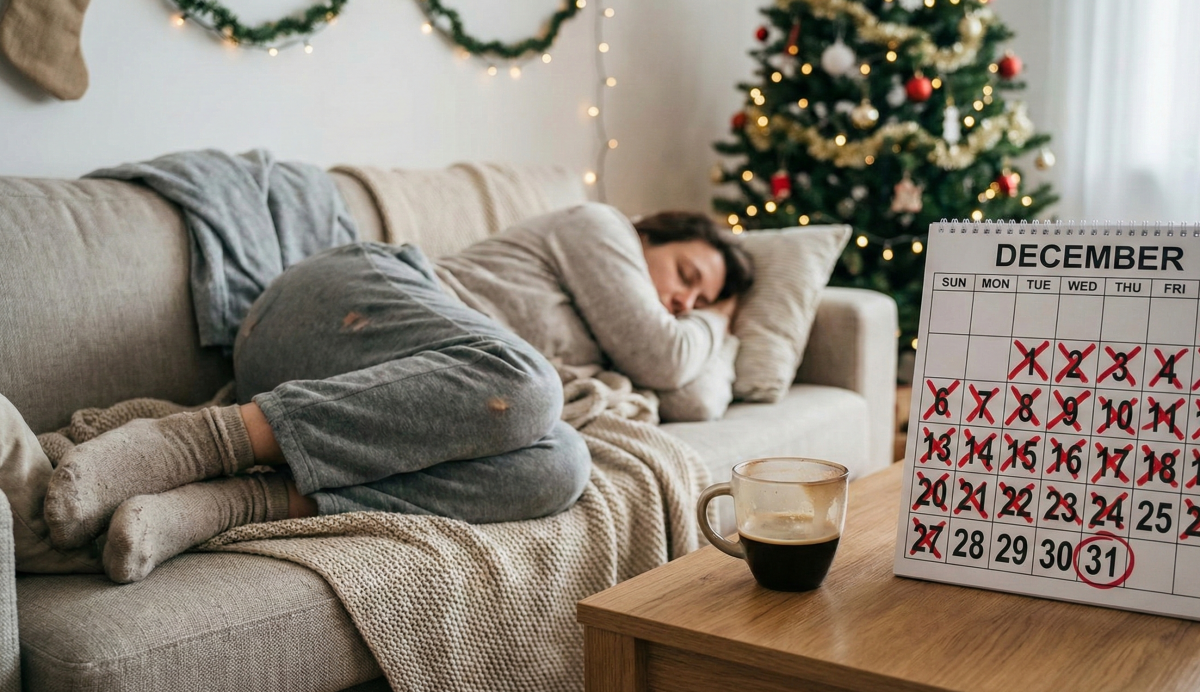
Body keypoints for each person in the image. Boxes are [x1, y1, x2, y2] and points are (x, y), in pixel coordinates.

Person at [42, 203, 755, 583]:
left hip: (357, 404)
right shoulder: (598, 227)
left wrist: (713, 329)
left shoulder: (631, 330)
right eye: (689, 273)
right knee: (528, 382)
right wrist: (719, 325)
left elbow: (694, 400)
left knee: (562, 467)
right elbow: (670, 359)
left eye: (705, 300)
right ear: (650, 234)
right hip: (329, 305)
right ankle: (190, 441)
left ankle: (232, 502)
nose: (687, 301)